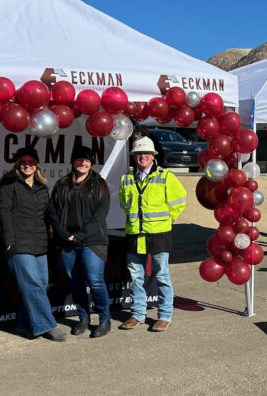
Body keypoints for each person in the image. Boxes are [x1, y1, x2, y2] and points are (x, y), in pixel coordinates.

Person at [0, 147, 67, 342]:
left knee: (41, 285)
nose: (27, 165)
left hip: (39, 245)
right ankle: (48, 325)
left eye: (31, 162)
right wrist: (9, 242)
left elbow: (49, 215)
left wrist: (63, 234)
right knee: (32, 284)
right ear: (18, 164)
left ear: (37, 165)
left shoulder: (42, 187)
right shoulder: (8, 185)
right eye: (23, 162)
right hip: (19, 244)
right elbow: (4, 215)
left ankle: (25, 325)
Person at [119, 136, 186, 332]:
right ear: (134, 156)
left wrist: (166, 221)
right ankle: (138, 314)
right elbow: (124, 203)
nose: (143, 157)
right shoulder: (126, 179)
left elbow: (179, 202)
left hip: (158, 235)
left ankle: (165, 315)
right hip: (134, 234)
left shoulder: (166, 176)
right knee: (135, 277)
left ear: (153, 156)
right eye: (139, 154)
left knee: (162, 276)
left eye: (146, 153)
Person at [48, 145, 111, 338]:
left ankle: (104, 318)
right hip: (67, 242)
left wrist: (81, 236)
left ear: (91, 164)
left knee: (95, 281)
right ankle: (83, 318)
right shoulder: (62, 184)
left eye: (87, 160)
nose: (83, 163)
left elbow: (100, 216)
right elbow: (52, 211)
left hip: (93, 241)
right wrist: (63, 233)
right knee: (75, 282)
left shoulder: (99, 184)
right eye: (79, 159)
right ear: (73, 162)